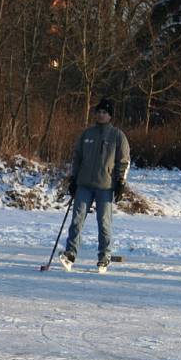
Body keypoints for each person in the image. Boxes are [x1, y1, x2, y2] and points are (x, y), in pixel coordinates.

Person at [59, 98, 131, 274]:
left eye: (104, 112)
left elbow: (124, 161)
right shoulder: (87, 134)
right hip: (84, 184)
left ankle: (104, 257)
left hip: (105, 186)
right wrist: (73, 179)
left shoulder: (117, 136)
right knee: (77, 220)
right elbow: (77, 158)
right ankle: (70, 254)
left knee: (104, 223)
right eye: (98, 112)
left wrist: (121, 183)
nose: (101, 115)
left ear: (110, 115)